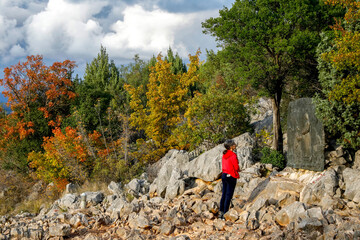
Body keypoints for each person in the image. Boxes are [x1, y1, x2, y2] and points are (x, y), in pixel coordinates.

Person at [219, 139, 240, 219]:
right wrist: (238, 170)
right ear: (231, 147)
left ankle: (221, 212)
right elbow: (236, 167)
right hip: (231, 176)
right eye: (234, 144)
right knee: (228, 195)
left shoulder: (224, 154)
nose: (235, 144)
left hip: (224, 175)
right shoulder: (233, 155)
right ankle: (225, 213)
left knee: (224, 194)